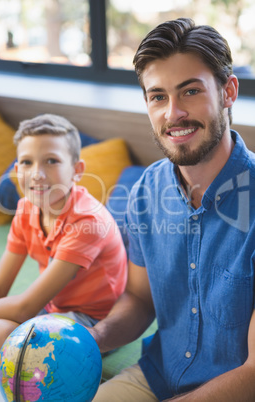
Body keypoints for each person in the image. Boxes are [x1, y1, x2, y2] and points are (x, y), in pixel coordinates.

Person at [89, 18, 255, 401]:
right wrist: (94, 338)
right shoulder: (146, 191)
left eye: (190, 91)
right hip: (160, 373)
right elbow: (141, 300)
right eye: (158, 96)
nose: (173, 113)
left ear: (228, 91)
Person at [0, 113, 127, 367]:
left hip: (98, 321)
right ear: (17, 171)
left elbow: (24, 308)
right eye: (27, 163)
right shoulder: (25, 209)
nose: (37, 174)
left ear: (76, 171)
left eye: (51, 161)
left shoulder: (87, 222)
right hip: (52, 308)